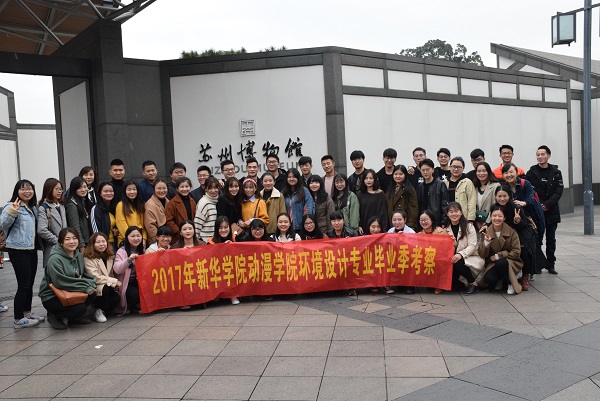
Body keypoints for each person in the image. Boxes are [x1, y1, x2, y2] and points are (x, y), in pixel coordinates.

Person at [1, 180, 44, 327]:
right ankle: (18, 318)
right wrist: (12, 212)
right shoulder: (11, 206)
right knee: (23, 284)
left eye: (30, 189)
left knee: (30, 283)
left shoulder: (32, 208)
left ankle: (27, 312)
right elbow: (2, 224)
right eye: (23, 189)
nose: (27, 191)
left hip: (31, 249)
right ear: (17, 191)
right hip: (18, 250)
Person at [39, 228, 97, 329]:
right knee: (80, 308)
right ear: (61, 242)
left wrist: (91, 283)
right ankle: (54, 316)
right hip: (53, 295)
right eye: (67, 239)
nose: (72, 241)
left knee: (92, 293)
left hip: (70, 289)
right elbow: (60, 282)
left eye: (74, 238)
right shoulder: (55, 259)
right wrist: (85, 286)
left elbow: (82, 274)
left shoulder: (78, 255)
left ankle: (73, 319)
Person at [494, 186, 540, 290]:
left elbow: (524, 225)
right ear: (495, 196)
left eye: (504, 196)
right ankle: (502, 276)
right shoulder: (495, 207)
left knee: (524, 251)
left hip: (521, 233)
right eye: (499, 196)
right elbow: (492, 221)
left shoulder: (516, 208)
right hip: (505, 234)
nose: (502, 199)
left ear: (509, 196)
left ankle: (525, 275)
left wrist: (517, 221)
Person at [526, 145, 563, 275]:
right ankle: (538, 264)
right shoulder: (531, 172)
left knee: (551, 239)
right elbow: (529, 191)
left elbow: (559, 191)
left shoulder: (556, 172)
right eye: (538, 155)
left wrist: (547, 204)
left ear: (549, 155)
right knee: (537, 238)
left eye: (543, 154)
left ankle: (551, 264)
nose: (540, 157)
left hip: (552, 210)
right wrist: (539, 205)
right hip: (537, 210)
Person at [478, 205, 523, 295]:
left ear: (504, 218)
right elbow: (482, 254)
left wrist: (498, 256)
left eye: (500, 216)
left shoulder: (512, 232)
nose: (497, 218)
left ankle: (510, 282)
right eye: (494, 216)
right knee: (489, 279)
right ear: (491, 217)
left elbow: (516, 252)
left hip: (511, 262)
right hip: (493, 264)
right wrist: (486, 243)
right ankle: (501, 280)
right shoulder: (486, 232)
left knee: (501, 262)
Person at [445, 202, 483, 295]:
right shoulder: (445, 228)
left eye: (456, 211)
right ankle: (460, 282)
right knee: (454, 286)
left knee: (457, 260)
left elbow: (472, 246)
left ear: (461, 212)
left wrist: (460, 254)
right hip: (452, 258)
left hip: (469, 256)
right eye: (451, 212)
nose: (454, 214)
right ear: (447, 214)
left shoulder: (469, 226)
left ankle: (473, 283)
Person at [84, 232, 121, 323]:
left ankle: (102, 311)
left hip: (107, 284)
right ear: (92, 244)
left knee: (116, 298)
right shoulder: (88, 258)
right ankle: (97, 309)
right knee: (105, 288)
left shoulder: (109, 256)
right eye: (98, 242)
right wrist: (114, 281)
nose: (101, 244)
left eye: (103, 241)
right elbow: (94, 276)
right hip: (95, 285)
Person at [502, 163, 545, 241]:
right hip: (513, 220)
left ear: (516, 173)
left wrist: (523, 203)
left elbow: (531, 198)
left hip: (529, 217)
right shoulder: (504, 187)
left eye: (511, 172)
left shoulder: (525, 183)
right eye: (506, 173)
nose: (509, 175)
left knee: (532, 241)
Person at [113, 226, 145, 315]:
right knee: (135, 294)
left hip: (138, 281)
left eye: (138, 236)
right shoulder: (121, 251)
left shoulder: (142, 250)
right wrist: (129, 260)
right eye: (132, 236)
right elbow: (117, 269)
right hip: (126, 283)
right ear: (127, 237)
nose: (136, 238)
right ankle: (133, 306)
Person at [207, 217, 239, 304]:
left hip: (232, 267)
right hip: (218, 268)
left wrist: (232, 247)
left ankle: (233, 294)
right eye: (220, 228)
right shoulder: (211, 242)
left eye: (226, 227)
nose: (223, 230)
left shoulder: (235, 238)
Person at [37, 178, 68, 269]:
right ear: (49, 190)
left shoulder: (61, 206)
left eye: (61, 189)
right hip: (52, 248)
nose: (59, 191)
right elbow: (42, 230)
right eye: (56, 189)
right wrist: (58, 241)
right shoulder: (44, 207)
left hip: (65, 247)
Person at [418, 209, 446, 294]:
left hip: (439, 256)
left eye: (426, 219)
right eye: (421, 220)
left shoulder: (440, 231)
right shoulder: (419, 234)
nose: (423, 222)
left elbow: (450, 245)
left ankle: (438, 285)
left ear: (432, 220)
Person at [416, 159, 449, 228]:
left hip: (436, 221)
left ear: (433, 170)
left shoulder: (440, 184)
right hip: (423, 222)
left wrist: (444, 221)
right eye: (423, 170)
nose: (425, 172)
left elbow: (445, 204)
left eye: (428, 170)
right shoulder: (420, 186)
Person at [165, 176, 197, 244]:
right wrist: (180, 231)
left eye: (187, 186)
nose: (184, 189)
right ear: (177, 189)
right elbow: (169, 221)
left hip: (191, 235)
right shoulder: (172, 203)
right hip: (178, 237)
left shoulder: (192, 201)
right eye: (182, 187)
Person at [385, 165, 418, 230]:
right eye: (396, 174)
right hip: (392, 224)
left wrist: (410, 225)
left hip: (405, 225)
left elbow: (413, 210)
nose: (398, 176)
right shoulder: (390, 189)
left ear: (405, 175)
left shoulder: (409, 189)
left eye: (401, 174)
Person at [115, 180, 146, 246]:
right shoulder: (121, 205)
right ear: (124, 191)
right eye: (129, 190)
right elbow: (121, 224)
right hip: (126, 241)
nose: (132, 192)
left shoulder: (141, 205)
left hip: (139, 240)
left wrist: (144, 238)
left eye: (134, 189)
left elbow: (144, 225)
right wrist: (132, 239)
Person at [446, 157, 477, 222]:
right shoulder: (445, 182)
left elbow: (472, 202)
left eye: (459, 167)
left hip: (463, 218)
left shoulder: (467, 182)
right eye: (454, 166)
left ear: (463, 168)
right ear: (450, 167)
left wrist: (470, 219)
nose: (456, 169)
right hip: (448, 219)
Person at [358, 169, 388, 234]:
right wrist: (359, 225)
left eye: (371, 178)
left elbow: (383, 212)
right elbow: (358, 212)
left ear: (374, 179)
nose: (368, 180)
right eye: (366, 178)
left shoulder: (380, 194)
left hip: (377, 228)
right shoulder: (360, 194)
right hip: (364, 227)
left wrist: (383, 228)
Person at [472, 162, 501, 231]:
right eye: (479, 171)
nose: (481, 173)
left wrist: (487, 223)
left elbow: (496, 206)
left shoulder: (496, 186)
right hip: (476, 224)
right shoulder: (473, 187)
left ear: (488, 172)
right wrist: (476, 221)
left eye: (484, 171)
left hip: (491, 223)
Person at [90, 182, 118, 250]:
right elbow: (95, 231)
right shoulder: (96, 209)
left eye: (111, 191)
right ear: (100, 193)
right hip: (102, 245)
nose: (108, 193)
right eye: (105, 191)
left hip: (114, 244)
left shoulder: (113, 208)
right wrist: (101, 244)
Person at [65, 177, 91, 253]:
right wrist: (81, 246)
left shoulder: (83, 201)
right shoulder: (72, 205)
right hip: (81, 244)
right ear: (74, 189)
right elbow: (75, 227)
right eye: (80, 188)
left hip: (87, 241)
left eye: (85, 187)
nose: (83, 190)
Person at [194, 177, 220, 243]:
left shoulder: (218, 201)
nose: (213, 190)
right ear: (205, 189)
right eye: (210, 188)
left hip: (215, 240)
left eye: (215, 188)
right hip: (205, 241)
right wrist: (196, 241)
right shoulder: (203, 202)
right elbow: (197, 224)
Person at [144, 179, 169, 245]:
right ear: (153, 190)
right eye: (159, 188)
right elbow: (150, 226)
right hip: (156, 241)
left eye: (164, 188)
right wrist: (158, 240)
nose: (162, 191)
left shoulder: (168, 202)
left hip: (167, 239)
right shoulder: (149, 204)